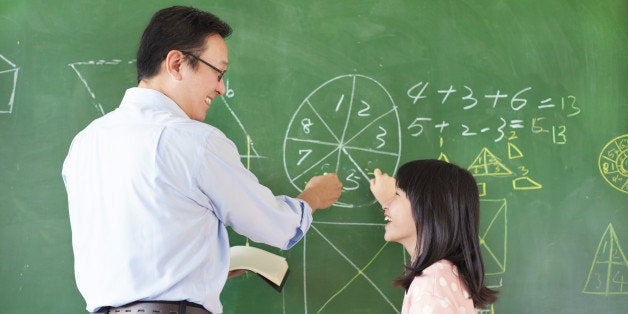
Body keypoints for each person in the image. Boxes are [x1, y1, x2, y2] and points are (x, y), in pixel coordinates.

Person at [62, 6, 342, 314]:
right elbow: (277, 227)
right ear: (177, 63)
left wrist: (209, 267)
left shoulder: (85, 143)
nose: (221, 87)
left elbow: (139, 249)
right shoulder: (194, 141)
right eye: (218, 72)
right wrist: (314, 196)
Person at [370, 159, 498, 313]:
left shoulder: (431, 288)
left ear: (427, 211)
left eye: (396, 194)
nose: (385, 205)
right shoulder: (443, 274)